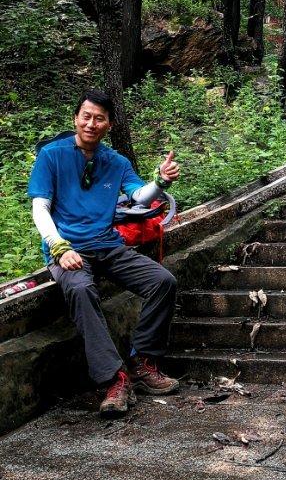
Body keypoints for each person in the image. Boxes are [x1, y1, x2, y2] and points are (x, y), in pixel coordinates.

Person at [28, 88, 180, 418]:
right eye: (87, 116)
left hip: (107, 244)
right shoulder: (52, 156)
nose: (92, 123)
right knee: (82, 289)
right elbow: (40, 207)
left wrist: (160, 182)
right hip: (67, 248)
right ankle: (115, 378)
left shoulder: (115, 162)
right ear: (76, 119)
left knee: (163, 281)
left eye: (100, 118)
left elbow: (139, 197)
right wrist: (58, 246)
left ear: (108, 124)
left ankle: (142, 361)